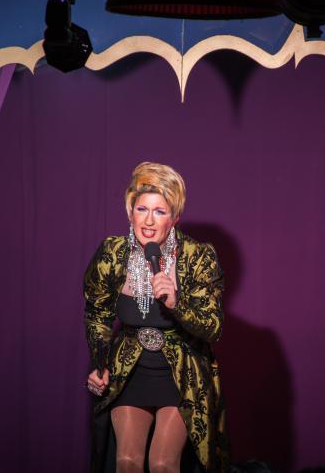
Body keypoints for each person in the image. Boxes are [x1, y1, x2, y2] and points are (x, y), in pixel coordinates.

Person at [83, 162, 228, 472]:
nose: (148, 221)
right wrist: (100, 363)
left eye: (159, 212)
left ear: (174, 218)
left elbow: (213, 327)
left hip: (180, 374)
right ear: (130, 212)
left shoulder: (198, 256)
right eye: (142, 209)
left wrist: (176, 303)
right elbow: (97, 313)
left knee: (162, 463)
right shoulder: (113, 252)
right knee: (127, 460)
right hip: (130, 370)